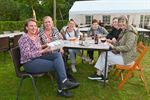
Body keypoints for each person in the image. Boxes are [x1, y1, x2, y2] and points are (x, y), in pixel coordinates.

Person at [18, 18, 79, 98]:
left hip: (37, 58)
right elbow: (27, 55)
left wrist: (46, 45)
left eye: (35, 26)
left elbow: (37, 47)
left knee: (57, 55)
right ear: (26, 27)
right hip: (29, 63)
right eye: (31, 26)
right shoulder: (24, 38)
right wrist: (44, 51)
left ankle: (64, 83)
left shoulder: (35, 36)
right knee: (57, 65)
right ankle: (62, 87)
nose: (34, 28)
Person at [88, 15, 138, 82]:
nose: (121, 23)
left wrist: (114, 47)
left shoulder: (130, 33)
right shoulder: (124, 31)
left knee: (106, 56)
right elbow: (119, 43)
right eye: (120, 22)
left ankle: (102, 76)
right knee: (104, 53)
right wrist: (112, 43)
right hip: (122, 54)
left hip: (127, 59)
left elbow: (127, 47)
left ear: (127, 22)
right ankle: (99, 74)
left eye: (123, 21)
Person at [38, 16, 78, 82]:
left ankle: (65, 77)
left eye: (49, 22)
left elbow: (60, 39)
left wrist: (61, 48)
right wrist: (46, 46)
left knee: (62, 55)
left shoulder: (55, 29)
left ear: (52, 22)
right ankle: (66, 78)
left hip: (56, 50)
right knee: (59, 58)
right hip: (46, 52)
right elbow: (38, 45)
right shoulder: (40, 32)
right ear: (43, 23)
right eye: (46, 22)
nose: (48, 24)